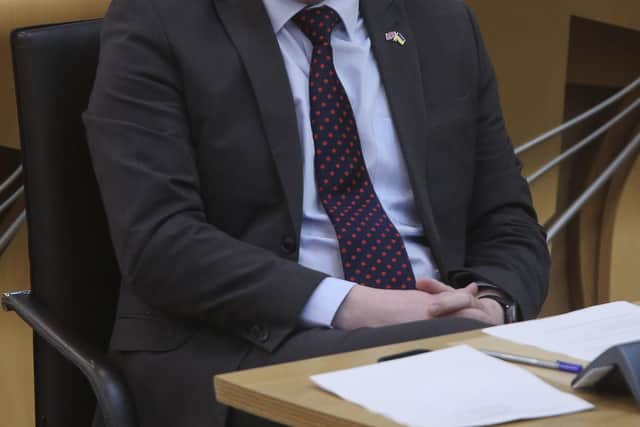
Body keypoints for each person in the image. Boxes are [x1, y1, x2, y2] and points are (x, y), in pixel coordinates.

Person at [85, 0, 550, 425]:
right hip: (244, 343)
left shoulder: (439, 20)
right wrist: (359, 306)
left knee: (606, 378)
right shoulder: (160, 19)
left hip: (442, 330)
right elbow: (160, 242)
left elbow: (507, 221)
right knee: (437, 386)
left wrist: (492, 306)